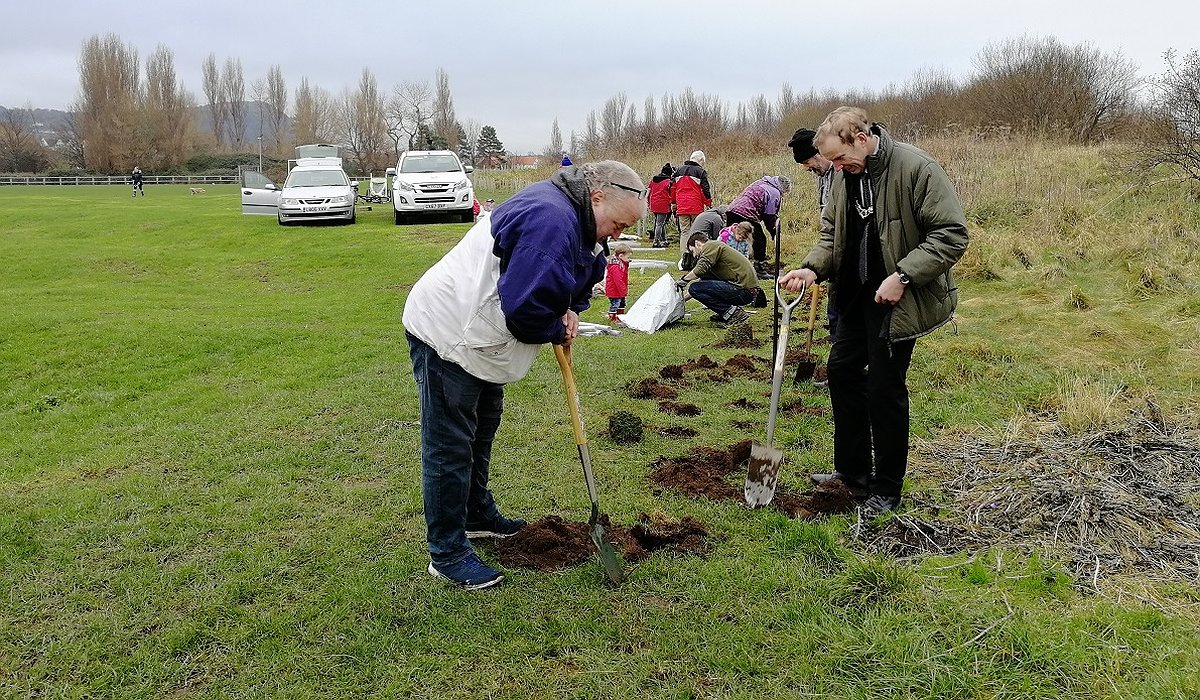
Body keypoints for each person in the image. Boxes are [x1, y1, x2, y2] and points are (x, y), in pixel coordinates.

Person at [403, 160, 647, 589]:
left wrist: (572, 309)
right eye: (618, 224)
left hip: (481, 341)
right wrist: (555, 324)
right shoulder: (551, 222)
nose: (618, 235)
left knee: (480, 430)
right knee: (450, 445)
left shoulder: (577, 220)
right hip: (450, 333)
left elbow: (576, 277)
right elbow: (525, 311)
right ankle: (446, 552)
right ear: (597, 197)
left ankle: (476, 514)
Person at [779, 106, 969, 517]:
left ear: (862, 139)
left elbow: (952, 234)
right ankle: (852, 476)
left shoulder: (917, 169)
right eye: (830, 161)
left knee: (884, 390)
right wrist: (810, 268)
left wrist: (902, 275)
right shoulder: (844, 177)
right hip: (852, 298)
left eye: (840, 158)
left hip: (896, 301)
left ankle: (886, 488)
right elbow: (832, 235)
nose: (835, 168)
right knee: (843, 374)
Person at [788, 126, 839, 388]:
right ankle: (839, 369)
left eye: (809, 162)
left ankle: (844, 371)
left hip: (846, 257)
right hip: (831, 255)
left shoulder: (844, 172)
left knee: (841, 316)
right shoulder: (824, 177)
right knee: (834, 316)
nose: (809, 168)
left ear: (821, 152)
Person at [675, 232, 758, 325]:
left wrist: (684, 280)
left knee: (694, 287)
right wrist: (681, 300)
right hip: (745, 290)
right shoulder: (715, 248)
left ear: (697, 243)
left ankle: (734, 314)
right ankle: (727, 312)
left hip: (743, 290)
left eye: (692, 251)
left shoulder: (710, 246)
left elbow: (700, 269)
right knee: (699, 287)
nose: (694, 256)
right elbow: (704, 283)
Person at [727, 175, 792, 279]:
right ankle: (759, 269)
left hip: (731, 210)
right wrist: (773, 232)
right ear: (783, 189)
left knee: (733, 240)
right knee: (760, 239)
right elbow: (769, 215)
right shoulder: (775, 192)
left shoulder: (762, 182)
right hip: (746, 212)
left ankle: (730, 268)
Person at [671, 150, 712, 254]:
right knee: (696, 231)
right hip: (696, 206)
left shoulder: (678, 171)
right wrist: (708, 203)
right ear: (701, 160)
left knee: (684, 231)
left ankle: (684, 256)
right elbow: (705, 190)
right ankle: (696, 254)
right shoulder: (700, 172)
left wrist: (674, 203)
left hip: (682, 206)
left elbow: (672, 189)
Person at [605, 242, 633, 323]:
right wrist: (623, 290)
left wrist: (626, 262)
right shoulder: (615, 266)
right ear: (621, 256)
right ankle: (612, 318)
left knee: (622, 303)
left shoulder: (621, 264)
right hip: (614, 290)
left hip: (619, 290)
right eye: (628, 257)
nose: (629, 259)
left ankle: (620, 317)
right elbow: (618, 280)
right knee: (615, 304)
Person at [647, 163, 674, 248]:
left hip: (653, 204)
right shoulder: (668, 182)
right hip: (663, 204)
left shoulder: (653, 180)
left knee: (660, 223)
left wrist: (648, 203)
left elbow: (649, 191)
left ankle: (664, 240)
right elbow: (671, 194)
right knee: (660, 224)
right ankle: (656, 241)